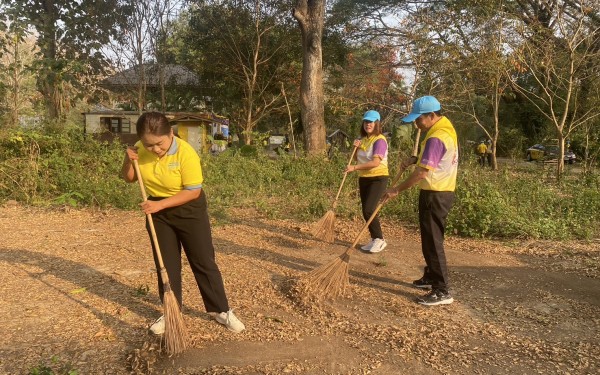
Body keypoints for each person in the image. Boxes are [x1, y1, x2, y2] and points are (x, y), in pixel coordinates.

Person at [120, 112, 245, 334]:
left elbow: (193, 191)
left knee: (203, 260)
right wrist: (128, 159)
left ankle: (221, 310)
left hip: (188, 209)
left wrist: (159, 205)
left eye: (159, 144)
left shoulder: (186, 152)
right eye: (149, 145)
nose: (155, 149)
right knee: (166, 264)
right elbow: (129, 178)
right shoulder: (140, 147)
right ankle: (171, 312)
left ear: (170, 133)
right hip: (157, 212)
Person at [383, 96, 458, 306]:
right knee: (428, 239)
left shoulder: (437, 136)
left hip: (436, 193)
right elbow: (436, 158)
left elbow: (422, 173)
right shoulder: (443, 129)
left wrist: (396, 189)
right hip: (439, 191)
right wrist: (415, 158)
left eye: (419, 119)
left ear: (431, 116)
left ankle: (442, 290)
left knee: (433, 242)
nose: (416, 124)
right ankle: (431, 276)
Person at [345, 110, 389, 253]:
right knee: (366, 211)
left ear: (377, 123)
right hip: (364, 178)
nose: (368, 124)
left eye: (371, 122)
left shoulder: (380, 140)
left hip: (378, 178)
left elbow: (375, 162)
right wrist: (355, 148)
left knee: (370, 209)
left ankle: (380, 239)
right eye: (366, 122)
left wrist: (354, 168)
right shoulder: (363, 139)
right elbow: (358, 158)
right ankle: (374, 238)